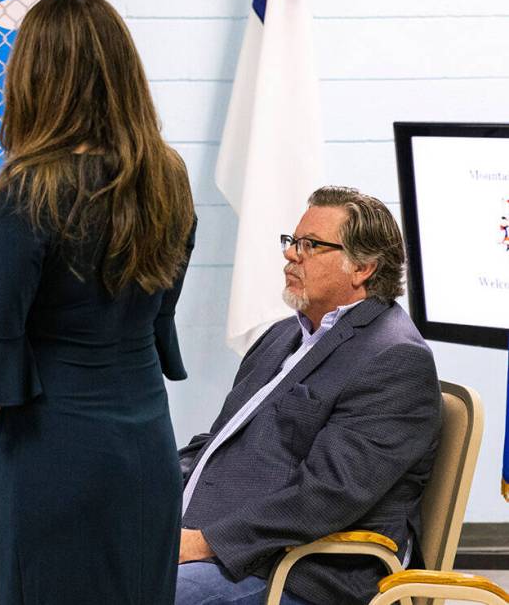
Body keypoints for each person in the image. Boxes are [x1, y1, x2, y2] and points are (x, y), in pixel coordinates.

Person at [0, 0, 197, 604]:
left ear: (37, 77)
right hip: (146, 445)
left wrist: (11, 458)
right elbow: (160, 313)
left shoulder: (27, 188)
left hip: (49, 448)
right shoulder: (169, 177)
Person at [174, 186, 441, 605]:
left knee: (133, 589)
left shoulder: (394, 360)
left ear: (363, 267)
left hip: (302, 570)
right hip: (221, 539)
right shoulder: (285, 335)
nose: (290, 254)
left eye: (310, 245)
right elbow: (220, 444)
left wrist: (202, 543)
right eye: (292, 241)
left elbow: (326, 496)